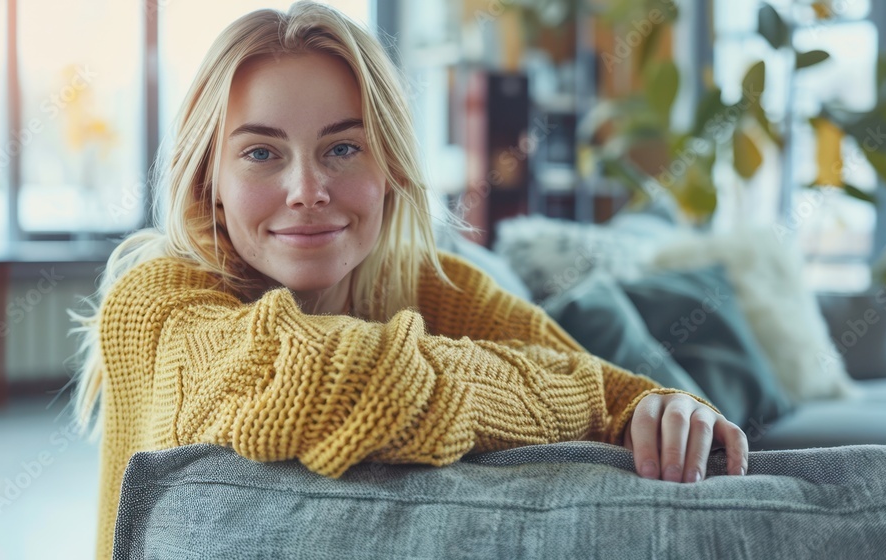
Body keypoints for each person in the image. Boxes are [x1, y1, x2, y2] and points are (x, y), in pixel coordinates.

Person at [68, 3, 748, 558]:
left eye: (343, 147)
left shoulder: (432, 284)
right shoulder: (154, 302)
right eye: (260, 153)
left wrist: (656, 405)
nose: (307, 189)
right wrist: (589, 398)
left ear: (389, 167)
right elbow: (334, 382)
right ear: (209, 181)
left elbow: (611, 386)